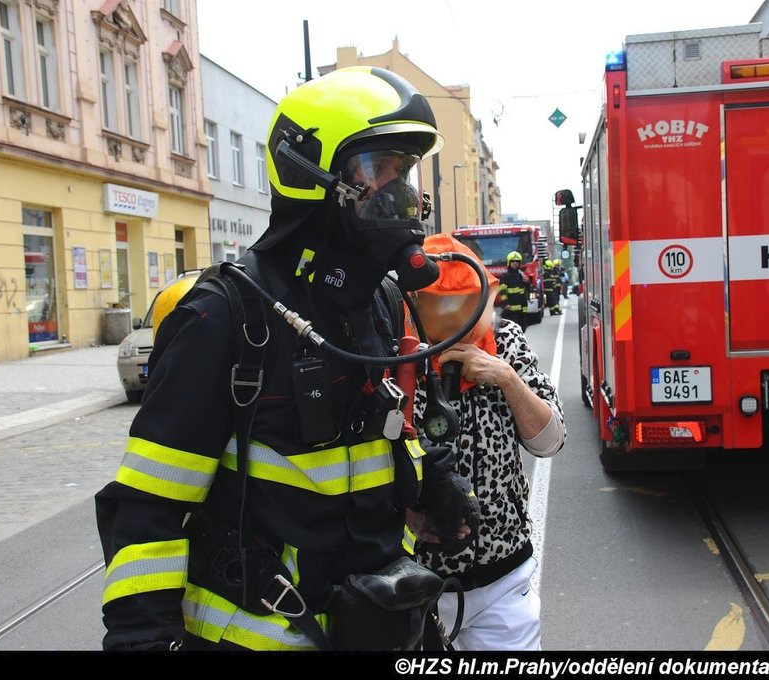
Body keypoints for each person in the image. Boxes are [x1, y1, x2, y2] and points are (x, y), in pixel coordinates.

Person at [94, 66, 480, 652]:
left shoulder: (375, 299)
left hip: (378, 624)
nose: (400, 193)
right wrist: (143, 640)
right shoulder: (225, 316)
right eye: (380, 169)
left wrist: (429, 478)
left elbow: (377, 431)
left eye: (405, 172)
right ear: (312, 175)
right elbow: (148, 506)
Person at [409, 233, 566, 651]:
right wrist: (410, 517)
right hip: (418, 583)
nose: (452, 321)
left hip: (504, 579)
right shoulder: (398, 358)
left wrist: (507, 378)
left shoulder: (508, 341)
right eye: (438, 307)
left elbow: (550, 442)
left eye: (463, 306)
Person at [496, 250, 530, 331]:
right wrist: (506, 303)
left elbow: (528, 289)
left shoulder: (521, 275)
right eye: (513, 261)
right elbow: (502, 291)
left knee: (522, 329)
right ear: (509, 263)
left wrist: (527, 282)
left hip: (522, 308)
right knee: (513, 330)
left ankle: (521, 343)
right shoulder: (505, 276)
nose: (515, 263)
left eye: (517, 262)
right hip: (511, 310)